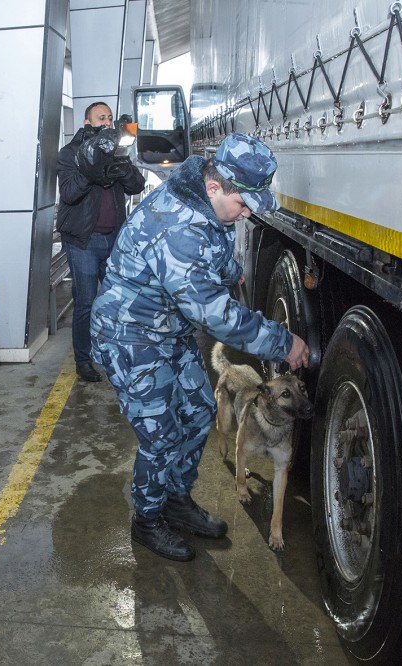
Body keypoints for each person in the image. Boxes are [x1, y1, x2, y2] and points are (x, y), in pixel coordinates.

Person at [91, 133, 311, 562]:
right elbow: (217, 318)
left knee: (198, 412)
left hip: (168, 330)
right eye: (242, 203)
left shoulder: (206, 204)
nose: (246, 213)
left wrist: (231, 270)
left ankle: (175, 499)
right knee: (160, 436)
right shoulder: (179, 228)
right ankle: (148, 519)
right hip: (130, 336)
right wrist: (285, 343)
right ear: (215, 186)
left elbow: (215, 249)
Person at [56, 101, 145, 382]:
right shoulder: (69, 154)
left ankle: (113, 354)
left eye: (109, 118)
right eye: (100, 118)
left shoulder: (117, 150)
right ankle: (83, 360)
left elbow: (137, 186)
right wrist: (90, 169)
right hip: (84, 241)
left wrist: (121, 166)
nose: (107, 122)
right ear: (87, 123)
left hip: (114, 240)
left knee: (118, 301)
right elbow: (69, 193)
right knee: (86, 302)